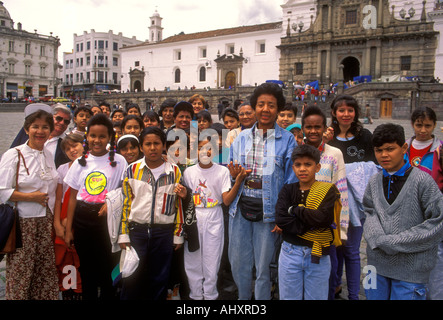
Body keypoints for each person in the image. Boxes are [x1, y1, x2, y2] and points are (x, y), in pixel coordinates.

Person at [227, 82, 297, 300]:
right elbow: (231, 172)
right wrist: (235, 174)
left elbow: (291, 181)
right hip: (241, 207)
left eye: (271, 105)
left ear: (278, 109)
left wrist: (282, 215)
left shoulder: (287, 140)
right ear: (254, 107)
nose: (265, 109)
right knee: (238, 261)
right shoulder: (241, 138)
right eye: (261, 104)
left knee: (264, 266)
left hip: (269, 211)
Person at [363, 123, 443, 300]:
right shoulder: (374, 181)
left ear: (404, 148)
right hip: (375, 267)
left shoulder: (422, 181)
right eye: (379, 150)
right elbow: (369, 212)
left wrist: (395, 242)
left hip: (411, 271)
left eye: (390, 149)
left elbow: (437, 222)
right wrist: (378, 238)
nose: (384, 155)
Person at [118, 127, 189, 300]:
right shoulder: (131, 170)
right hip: (137, 231)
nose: (152, 148)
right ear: (141, 147)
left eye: (156, 143)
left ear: (164, 145)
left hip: (163, 232)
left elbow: (177, 205)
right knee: (132, 277)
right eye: (148, 144)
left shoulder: (174, 171)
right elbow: (126, 204)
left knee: (159, 278)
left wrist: (177, 234)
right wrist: (123, 234)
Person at [63, 113, 127, 300]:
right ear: (86, 137)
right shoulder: (79, 163)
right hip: (82, 219)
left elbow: (125, 189)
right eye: (92, 136)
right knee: (87, 269)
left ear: (109, 138)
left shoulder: (119, 161)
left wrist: (110, 203)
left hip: (107, 220)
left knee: (108, 267)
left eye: (102, 136)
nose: (96, 140)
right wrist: (68, 230)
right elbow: (73, 197)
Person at [0, 105, 59, 300]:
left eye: (44, 127)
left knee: (43, 273)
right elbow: (1, 192)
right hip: (23, 223)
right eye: (35, 126)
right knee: (20, 274)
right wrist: (30, 197)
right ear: (26, 129)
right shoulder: (13, 155)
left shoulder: (48, 155)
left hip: (44, 222)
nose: (40, 131)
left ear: (50, 131)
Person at [324, 94, 377, 300]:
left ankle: (353, 294)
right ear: (334, 113)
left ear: (355, 113)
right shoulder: (329, 137)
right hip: (333, 204)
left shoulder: (365, 137)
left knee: (352, 252)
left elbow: (373, 168)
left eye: (350, 110)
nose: (346, 114)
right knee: (335, 249)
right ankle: (336, 285)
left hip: (356, 204)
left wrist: (350, 172)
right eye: (341, 110)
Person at [183, 136, 247, 300]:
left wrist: (238, 182)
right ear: (195, 151)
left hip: (214, 214)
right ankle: (196, 294)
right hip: (194, 215)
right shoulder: (189, 172)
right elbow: (185, 198)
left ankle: (210, 293)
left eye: (210, 147)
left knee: (212, 256)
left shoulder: (222, 171)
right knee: (193, 256)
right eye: (201, 147)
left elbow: (226, 200)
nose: (205, 151)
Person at [276, 144, 341, 300]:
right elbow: (280, 219)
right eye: (298, 165)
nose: (302, 169)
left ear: (317, 167)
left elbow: (324, 219)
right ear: (293, 167)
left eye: (308, 164)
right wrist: (311, 223)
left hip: (318, 254)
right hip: (290, 252)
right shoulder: (287, 190)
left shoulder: (328, 190)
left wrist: (296, 210)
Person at [301, 105, 349, 300]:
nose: (313, 131)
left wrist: (342, 229)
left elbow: (342, 192)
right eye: (309, 127)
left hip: (327, 226)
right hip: (301, 225)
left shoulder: (334, 153)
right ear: (303, 127)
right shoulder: (296, 151)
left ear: (325, 128)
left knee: (327, 275)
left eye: (317, 127)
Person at [406, 107, 443, 300]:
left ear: (434, 125)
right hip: (407, 211)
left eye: (427, 125)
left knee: (436, 258)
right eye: (419, 125)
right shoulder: (403, 147)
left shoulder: (440, 150)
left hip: (433, 212)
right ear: (412, 124)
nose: (422, 130)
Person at [53, 133, 84, 300]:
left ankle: (81, 289)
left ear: (83, 145)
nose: (72, 150)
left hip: (83, 218)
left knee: (81, 257)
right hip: (64, 219)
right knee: (65, 257)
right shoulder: (62, 169)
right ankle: (68, 291)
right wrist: (58, 223)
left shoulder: (92, 166)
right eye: (68, 148)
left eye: (75, 145)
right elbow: (58, 198)